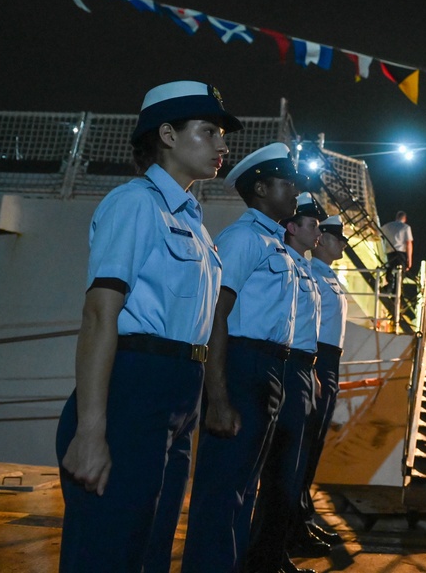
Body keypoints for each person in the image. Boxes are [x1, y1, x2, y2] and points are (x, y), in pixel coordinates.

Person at [54, 80, 238, 572]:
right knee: (107, 550)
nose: (223, 145)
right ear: (168, 135)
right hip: (134, 389)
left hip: (178, 398)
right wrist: (92, 431)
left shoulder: (194, 222)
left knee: (147, 550)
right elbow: (99, 313)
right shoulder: (135, 203)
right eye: (209, 131)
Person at [181, 142, 303, 573]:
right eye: (286, 183)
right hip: (242, 365)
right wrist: (217, 397)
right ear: (261, 188)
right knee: (222, 490)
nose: (294, 191)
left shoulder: (275, 243)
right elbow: (217, 313)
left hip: (269, 368)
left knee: (245, 489)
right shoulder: (243, 239)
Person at [246, 192, 324, 573]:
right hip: (284, 367)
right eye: (312, 225)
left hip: (301, 370)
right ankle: (262, 557)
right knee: (277, 472)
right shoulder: (280, 260)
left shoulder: (303, 267)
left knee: (289, 471)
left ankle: (273, 555)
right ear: (291, 227)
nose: (318, 233)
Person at [290, 214, 350, 550]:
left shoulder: (329, 276)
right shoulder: (311, 272)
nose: (342, 244)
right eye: (337, 237)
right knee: (303, 447)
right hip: (317, 361)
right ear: (322, 239)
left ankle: (302, 518)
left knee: (313, 447)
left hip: (330, 363)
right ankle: (294, 525)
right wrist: (313, 366)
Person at [380, 210, 414, 276]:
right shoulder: (406, 227)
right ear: (405, 219)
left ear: (396, 217)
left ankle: (389, 283)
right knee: (400, 274)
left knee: (390, 272)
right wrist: (409, 259)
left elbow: (377, 233)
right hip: (400, 254)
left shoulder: (387, 226)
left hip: (389, 254)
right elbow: (409, 243)